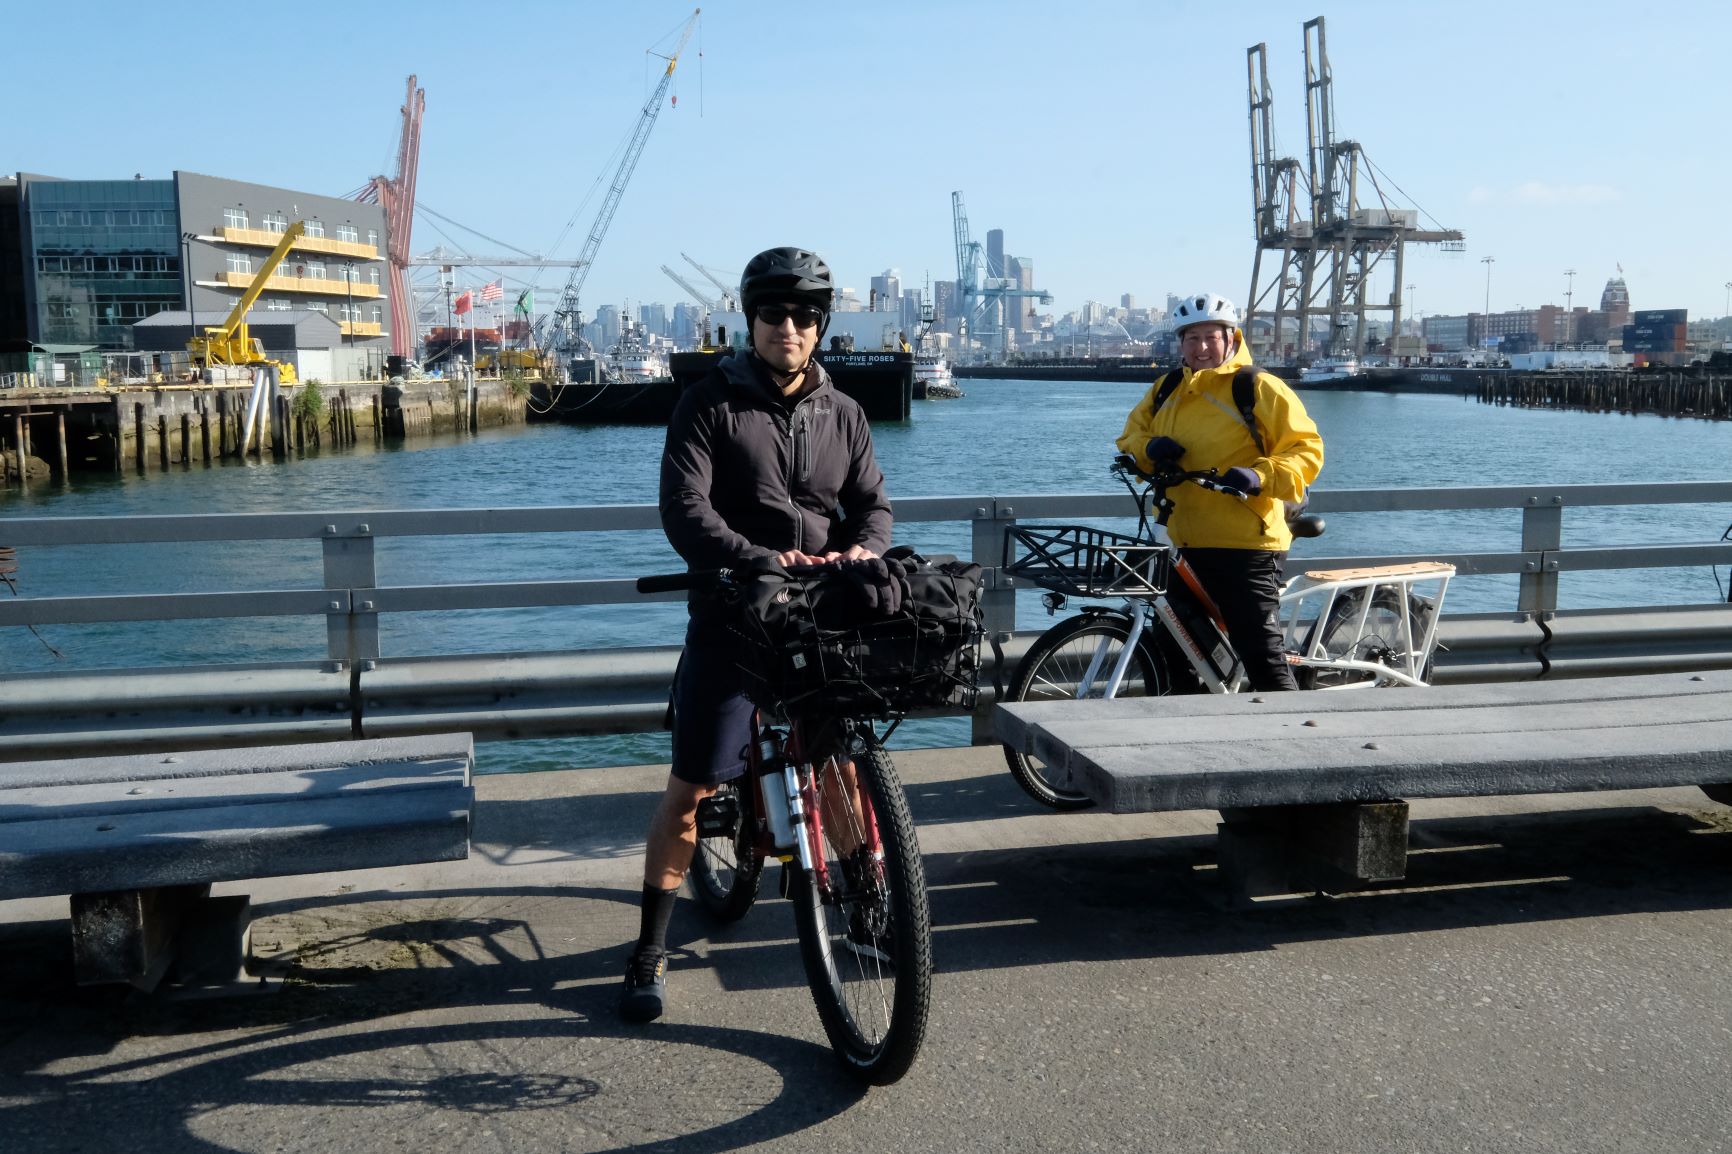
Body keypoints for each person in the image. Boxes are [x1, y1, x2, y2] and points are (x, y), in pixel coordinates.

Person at [621, 246, 893, 1022]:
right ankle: (649, 946)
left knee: (837, 764)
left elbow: (872, 505)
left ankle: (870, 899)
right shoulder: (708, 404)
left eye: (806, 316)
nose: (790, 328)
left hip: (818, 611)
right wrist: (757, 558)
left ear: (821, 326)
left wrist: (863, 551)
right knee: (692, 785)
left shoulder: (844, 412)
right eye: (774, 313)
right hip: (734, 610)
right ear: (751, 320)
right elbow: (686, 510)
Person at [1116, 291, 1324, 691]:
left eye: (1211, 337)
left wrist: (1259, 476)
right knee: (1172, 653)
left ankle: (1295, 729)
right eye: (1192, 338)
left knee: (1262, 659)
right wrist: (1149, 448)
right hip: (1180, 540)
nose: (1202, 348)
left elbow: (1306, 450)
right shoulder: (1166, 389)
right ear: (1181, 343)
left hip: (1245, 542)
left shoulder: (1257, 387)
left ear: (1232, 338)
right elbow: (1130, 437)